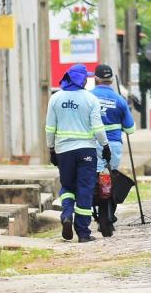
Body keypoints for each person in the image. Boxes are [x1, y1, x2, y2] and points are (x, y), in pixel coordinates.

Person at [45, 64, 108, 243]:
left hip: (64, 151)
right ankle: (83, 233)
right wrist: (105, 145)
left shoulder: (55, 98)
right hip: (86, 150)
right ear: (83, 79)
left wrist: (51, 148)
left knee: (67, 186)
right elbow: (97, 127)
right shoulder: (90, 99)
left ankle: (66, 214)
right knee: (85, 189)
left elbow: (50, 127)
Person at [91, 64, 135, 235]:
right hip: (114, 145)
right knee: (109, 180)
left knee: (94, 179)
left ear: (96, 78)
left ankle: (94, 213)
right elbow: (131, 129)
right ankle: (109, 214)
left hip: (93, 145)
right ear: (110, 80)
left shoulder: (89, 97)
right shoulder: (119, 99)